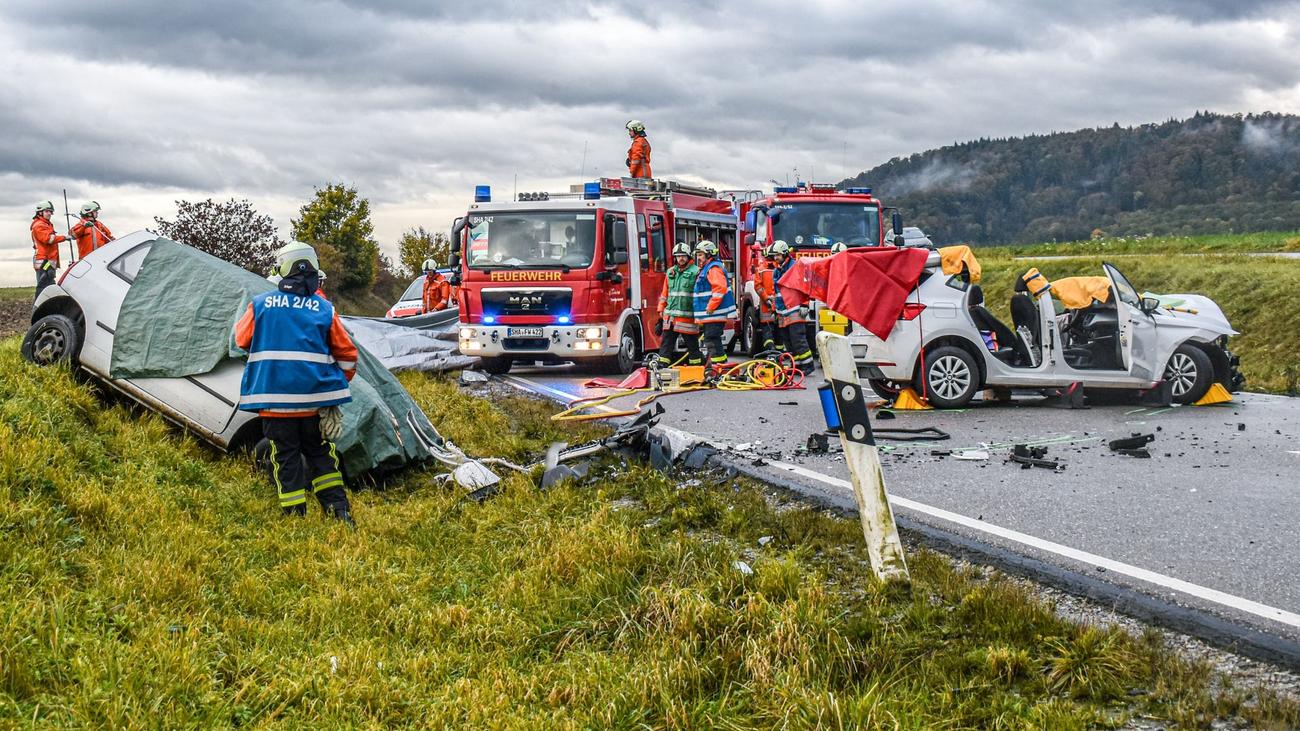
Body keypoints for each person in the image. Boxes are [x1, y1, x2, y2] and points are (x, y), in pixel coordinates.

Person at [234, 242, 358, 525]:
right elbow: (348, 355)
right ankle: (338, 512)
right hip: (314, 405)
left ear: (281, 269)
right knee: (320, 455)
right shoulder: (324, 309)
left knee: (285, 457)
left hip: (275, 406)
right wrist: (334, 389)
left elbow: (240, 340)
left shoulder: (261, 305)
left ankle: (294, 516)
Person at [769, 240, 815, 371]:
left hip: (795, 308)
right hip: (782, 311)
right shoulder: (777, 271)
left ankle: (808, 365)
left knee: (797, 339)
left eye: (777, 255)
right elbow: (775, 292)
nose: (775, 258)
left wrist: (805, 304)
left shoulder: (795, 267)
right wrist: (774, 310)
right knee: (788, 341)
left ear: (784, 253)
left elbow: (805, 287)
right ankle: (798, 366)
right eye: (774, 256)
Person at [657, 242, 702, 366]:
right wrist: (661, 309)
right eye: (678, 256)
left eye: (683, 256)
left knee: (692, 346)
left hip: (688, 318)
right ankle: (662, 367)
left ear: (688, 256)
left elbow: (700, 296)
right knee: (666, 345)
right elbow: (665, 292)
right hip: (670, 318)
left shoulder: (696, 272)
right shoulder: (670, 272)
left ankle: (696, 368)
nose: (680, 258)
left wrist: (701, 316)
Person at [692, 240, 735, 365]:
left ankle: (719, 367)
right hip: (711, 315)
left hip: (714, 314)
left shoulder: (713, 268)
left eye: (700, 255)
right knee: (711, 340)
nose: (698, 258)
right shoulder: (707, 268)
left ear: (709, 254)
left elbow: (719, 289)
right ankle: (717, 367)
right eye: (697, 255)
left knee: (712, 339)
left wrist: (711, 306)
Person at [30, 201, 70, 300]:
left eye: (51, 212)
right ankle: (39, 307)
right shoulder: (39, 225)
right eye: (47, 211)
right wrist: (64, 237)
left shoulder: (47, 224)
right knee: (43, 286)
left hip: (47, 261)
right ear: (40, 212)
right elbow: (49, 239)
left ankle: (48, 305)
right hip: (43, 260)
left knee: (49, 285)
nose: (49, 214)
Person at [752, 244, 778, 352]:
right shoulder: (780, 268)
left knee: (767, 331)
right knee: (779, 332)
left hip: (765, 307)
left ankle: (770, 351)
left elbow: (758, 287)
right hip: (779, 306)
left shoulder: (760, 270)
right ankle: (778, 352)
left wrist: (766, 298)